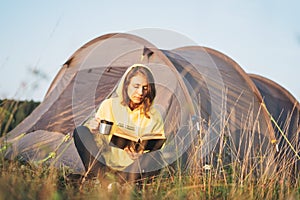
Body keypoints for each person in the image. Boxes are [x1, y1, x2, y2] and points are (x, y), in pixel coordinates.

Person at [73, 64, 165, 181]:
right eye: (136, 86)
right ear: (126, 85)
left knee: (155, 156)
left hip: (133, 168)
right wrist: (94, 130)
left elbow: (158, 147)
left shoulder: (154, 115)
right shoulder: (109, 105)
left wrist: (141, 154)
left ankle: (111, 182)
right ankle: (104, 177)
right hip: (104, 165)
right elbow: (98, 143)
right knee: (80, 131)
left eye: (145, 88)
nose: (141, 92)